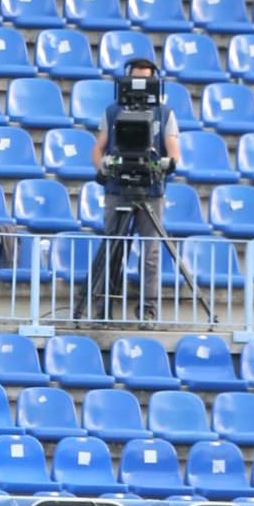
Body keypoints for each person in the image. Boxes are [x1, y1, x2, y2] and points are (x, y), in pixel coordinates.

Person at [87, 57, 183, 323]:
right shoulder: (112, 111)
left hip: (151, 191)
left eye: (147, 79)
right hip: (117, 188)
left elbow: (174, 152)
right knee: (112, 249)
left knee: (150, 254)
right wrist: (103, 166)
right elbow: (98, 148)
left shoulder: (164, 114)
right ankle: (101, 310)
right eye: (136, 78)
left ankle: (148, 312)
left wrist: (165, 164)